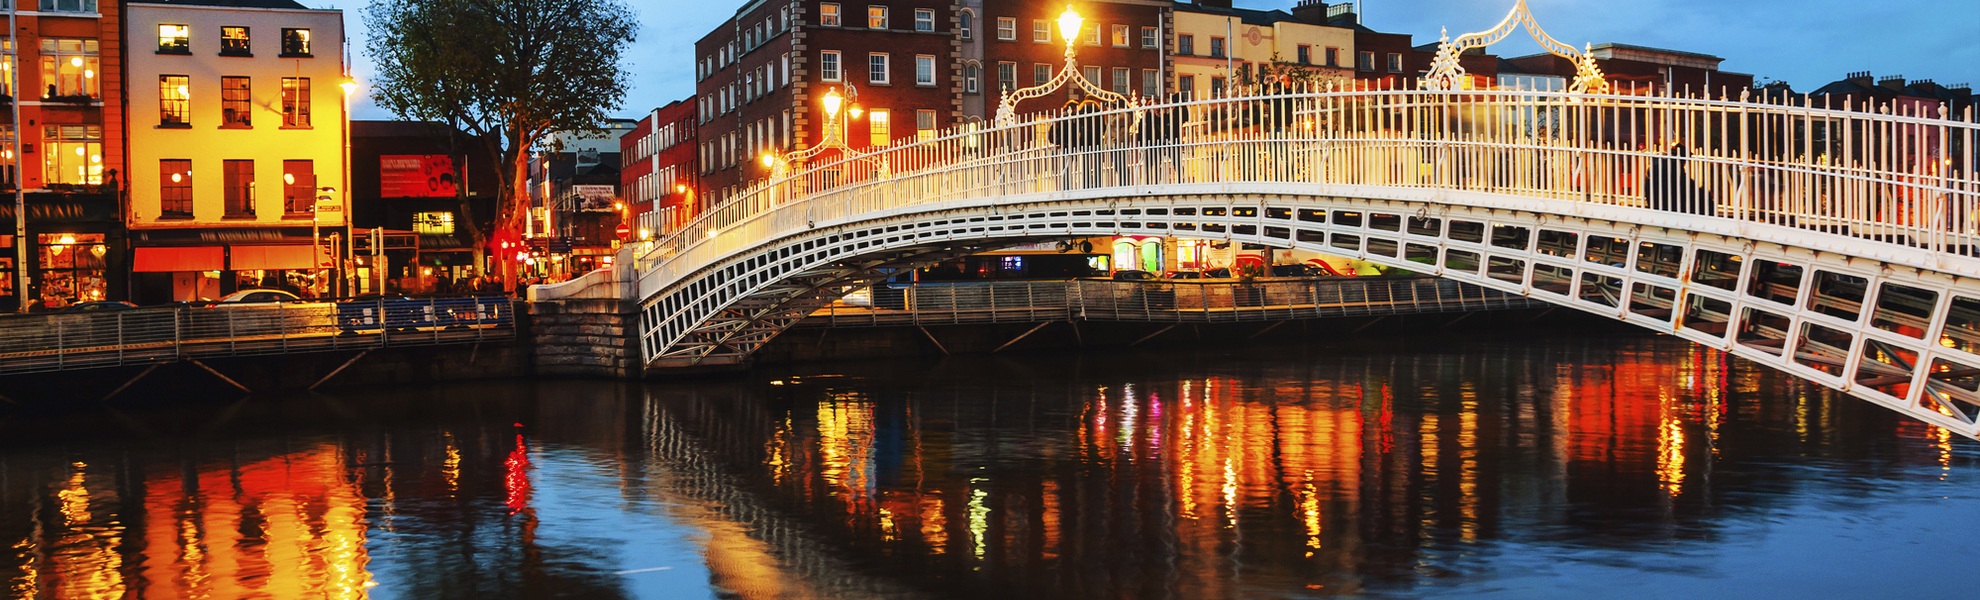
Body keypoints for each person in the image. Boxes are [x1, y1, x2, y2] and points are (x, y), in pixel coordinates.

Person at [1644, 144, 1708, 215]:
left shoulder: (1656, 169)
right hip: (1675, 210)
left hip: (1656, 207)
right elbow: (1689, 189)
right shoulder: (1676, 169)